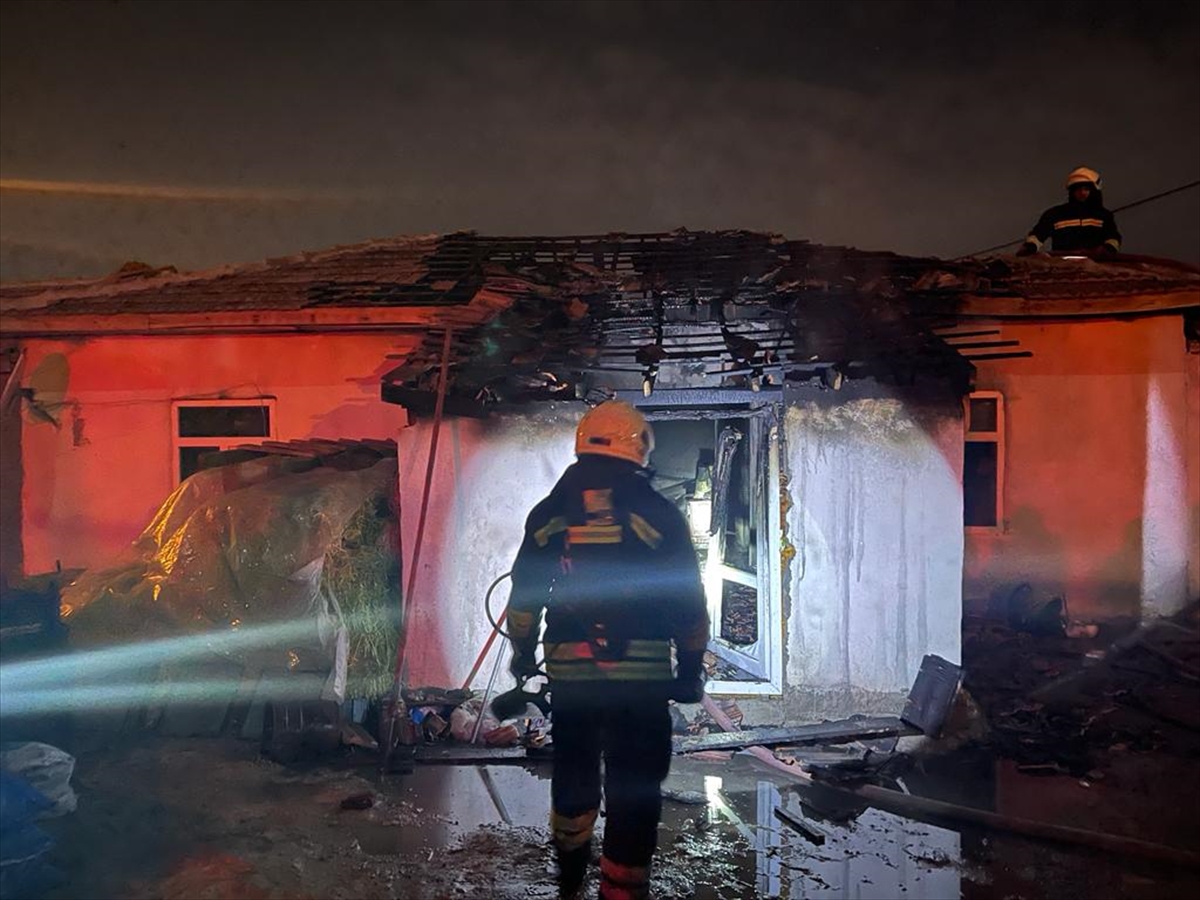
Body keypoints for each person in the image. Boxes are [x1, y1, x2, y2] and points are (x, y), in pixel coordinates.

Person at [505, 399, 710, 899]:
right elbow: (688, 603)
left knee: (574, 771)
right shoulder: (660, 515)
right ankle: (620, 889)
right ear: (638, 448)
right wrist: (688, 669)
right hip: (641, 681)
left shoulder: (549, 513)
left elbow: (524, 595)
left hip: (572, 674)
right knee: (634, 784)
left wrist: (523, 654)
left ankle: (570, 873)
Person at [1017, 166, 1122, 257]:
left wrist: (1108, 249)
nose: (1082, 193)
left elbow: (1113, 238)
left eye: (1086, 189)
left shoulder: (1104, 216)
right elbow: (1037, 235)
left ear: (1094, 191)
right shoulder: (1055, 214)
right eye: (1077, 189)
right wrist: (1030, 247)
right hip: (1063, 268)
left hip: (1096, 268)